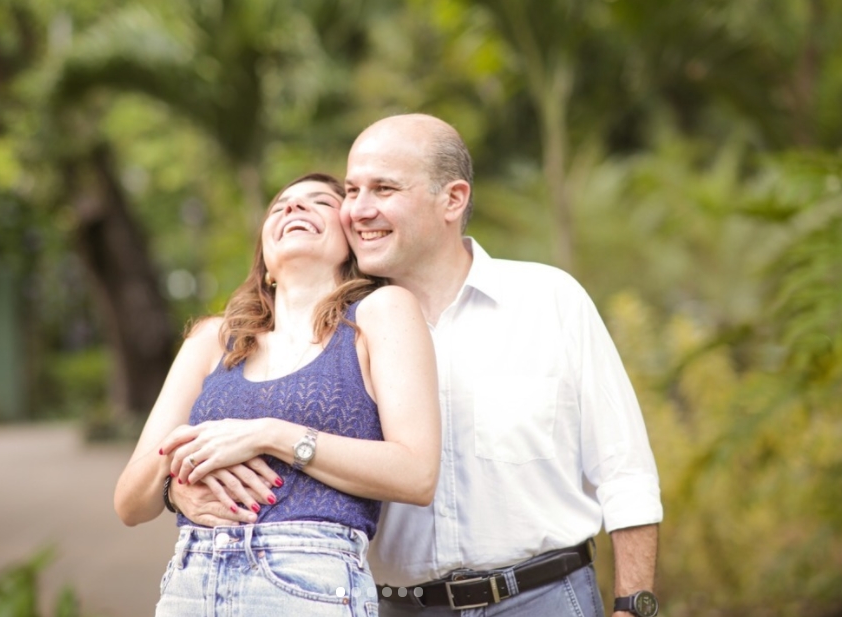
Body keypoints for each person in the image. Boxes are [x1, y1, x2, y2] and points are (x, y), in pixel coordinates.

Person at [171, 115, 664, 617]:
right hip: (396, 607)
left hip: (542, 598)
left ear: (452, 199)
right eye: (353, 191)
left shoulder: (548, 300)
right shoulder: (328, 338)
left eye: (383, 189)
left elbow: (625, 471)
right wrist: (180, 492)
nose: (359, 210)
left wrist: (634, 605)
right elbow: (282, 469)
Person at [114, 172, 441, 617]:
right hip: (190, 582)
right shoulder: (213, 339)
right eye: (280, 206)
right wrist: (176, 487)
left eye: (320, 203)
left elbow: (417, 474)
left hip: (310, 584)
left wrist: (270, 435)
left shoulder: (381, 313)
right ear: (265, 263)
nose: (293, 208)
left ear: (351, 244)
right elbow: (130, 503)